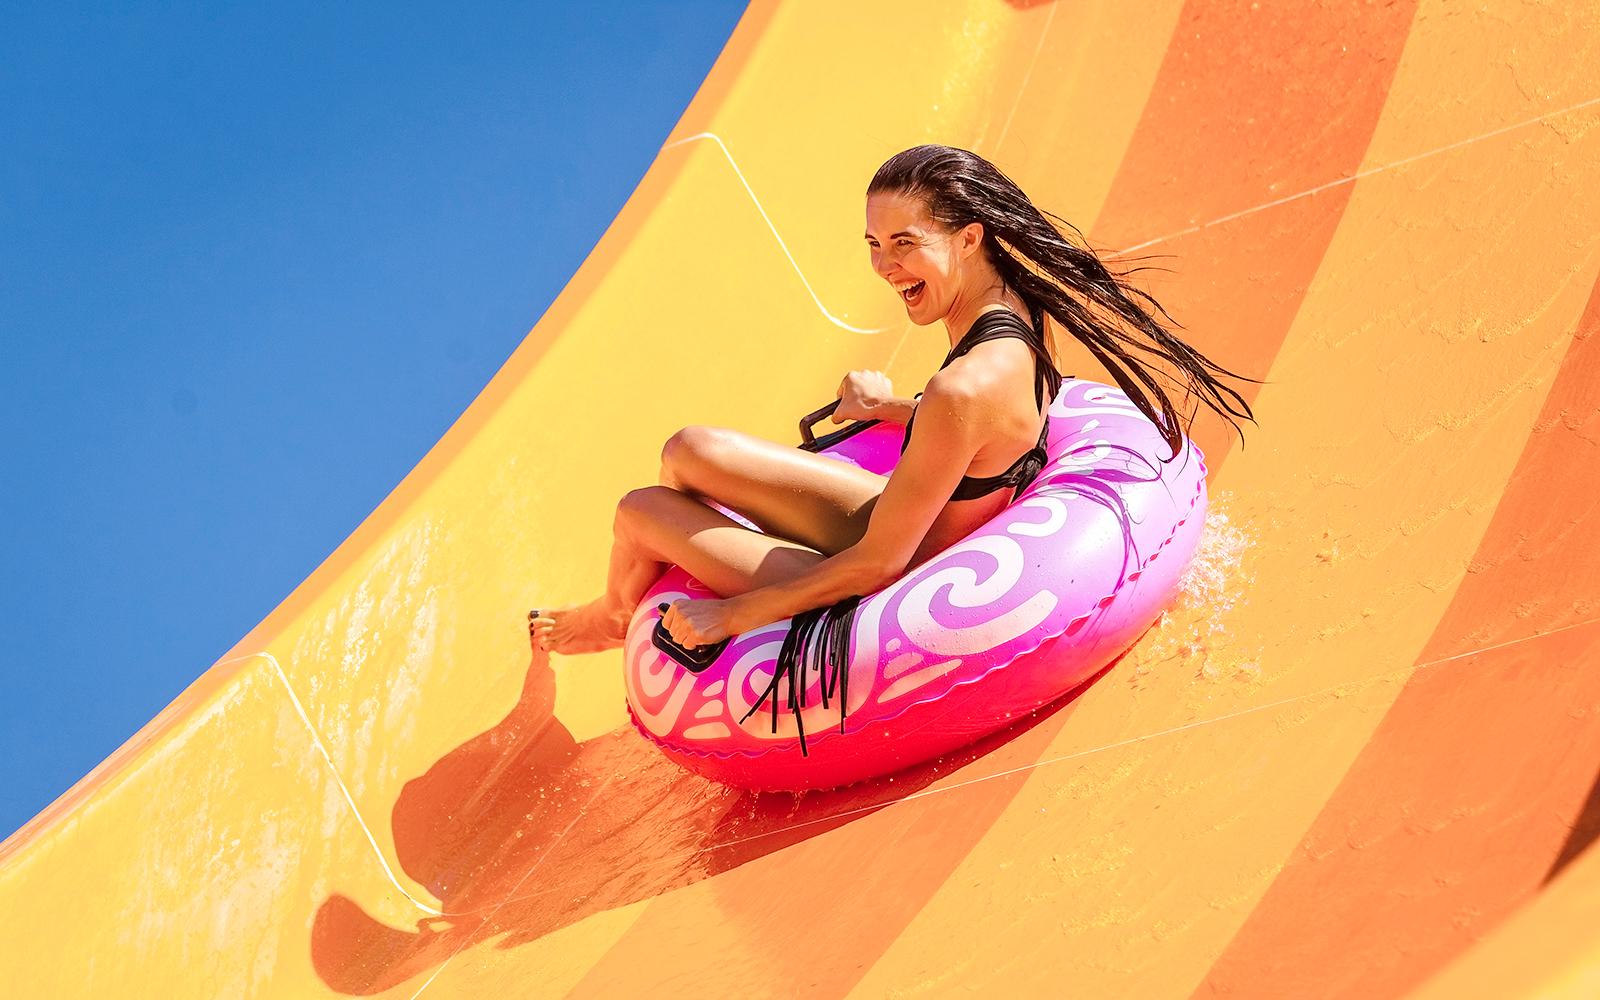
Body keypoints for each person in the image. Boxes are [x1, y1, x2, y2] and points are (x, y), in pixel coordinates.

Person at [530, 145, 1250, 657]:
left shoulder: (962, 386)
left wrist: (732, 616)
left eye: (904, 243)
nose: (885, 266)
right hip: (905, 506)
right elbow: (993, 434)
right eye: (874, 243)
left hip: (897, 566)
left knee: (640, 510)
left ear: (969, 237)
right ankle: (629, 593)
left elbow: (877, 564)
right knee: (689, 449)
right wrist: (891, 411)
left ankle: (612, 615)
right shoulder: (1016, 310)